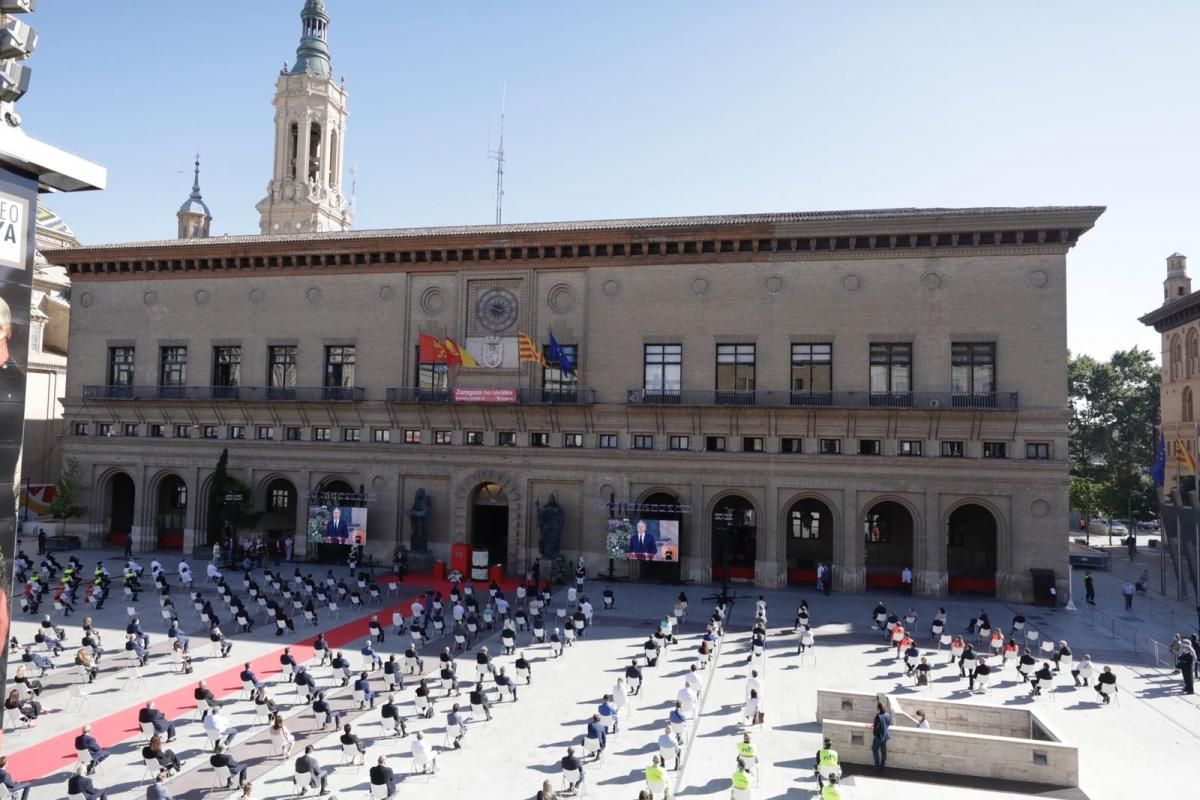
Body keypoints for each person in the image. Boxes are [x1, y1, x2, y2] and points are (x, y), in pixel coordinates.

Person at [871, 702, 891, 771]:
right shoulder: (888, 715)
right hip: (885, 736)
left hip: (879, 736)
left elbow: (876, 727)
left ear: (878, 708)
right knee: (883, 751)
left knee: (874, 750)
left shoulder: (878, 716)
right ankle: (882, 765)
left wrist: (875, 733)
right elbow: (888, 724)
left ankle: (877, 765)